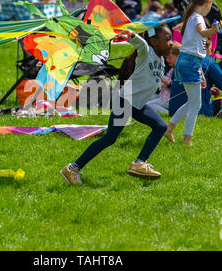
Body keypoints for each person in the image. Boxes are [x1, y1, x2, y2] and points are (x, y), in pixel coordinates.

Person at [61, 26, 173, 185]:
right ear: (154, 41)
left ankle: (139, 163)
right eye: (167, 39)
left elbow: (176, 50)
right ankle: (72, 168)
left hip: (138, 104)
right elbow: (141, 43)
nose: (171, 42)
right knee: (109, 138)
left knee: (161, 127)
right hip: (125, 101)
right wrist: (132, 35)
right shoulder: (147, 52)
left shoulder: (161, 60)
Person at [164, 0, 218, 146]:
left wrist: (200, 71)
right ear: (208, 3)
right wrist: (212, 30)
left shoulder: (192, 17)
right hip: (189, 62)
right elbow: (202, 33)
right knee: (196, 104)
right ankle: (187, 139)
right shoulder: (197, 18)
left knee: (191, 102)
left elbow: (195, 47)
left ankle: (169, 129)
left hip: (189, 62)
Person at [168, 38, 222, 117]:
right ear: (207, 47)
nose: (211, 52)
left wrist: (208, 89)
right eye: (211, 49)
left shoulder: (181, 59)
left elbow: (182, 86)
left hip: (174, 111)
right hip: (199, 111)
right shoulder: (208, 61)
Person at [147, 41, 180, 113]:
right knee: (146, 98)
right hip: (163, 96)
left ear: (178, 57)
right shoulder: (172, 68)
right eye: (167, 58)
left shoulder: (179, 70)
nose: (167, 60)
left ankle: (169, 113)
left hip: (169, 99)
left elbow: (177, 87)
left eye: (170, 58)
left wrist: (164, 81)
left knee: (149, 105)